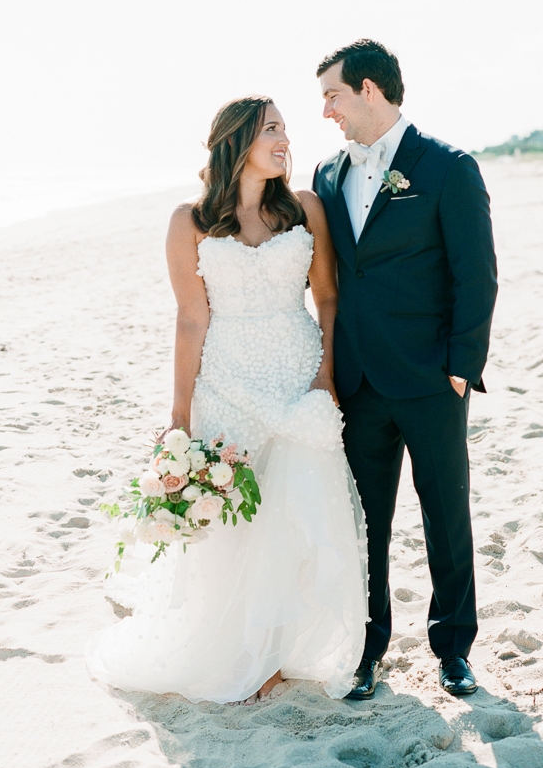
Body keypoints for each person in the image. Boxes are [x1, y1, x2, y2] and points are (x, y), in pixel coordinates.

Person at [87, 96, 367, 704]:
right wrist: (180, 417)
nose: (285, 139)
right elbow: (192, 318)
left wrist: (325, 376)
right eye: (273, 129)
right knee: (235, 524)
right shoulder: (188, 221)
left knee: (296, 514)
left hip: (296, 382)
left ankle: (282, 650)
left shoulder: (306, 209)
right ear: (238, 142)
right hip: (226, 383)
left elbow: (327, 300)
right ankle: (239, 650)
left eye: (286, 129)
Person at [313, 40, 498, 699]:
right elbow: (334, 277)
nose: (327, 110)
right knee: (365, 521)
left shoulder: (447, 167)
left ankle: (453, 648)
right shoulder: (327, 177)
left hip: (430, 379)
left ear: (368, 89)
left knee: (446, 512)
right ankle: (367, 648)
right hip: (359, 381)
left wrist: (460, 368)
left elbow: (475, 275)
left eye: (333, 95)